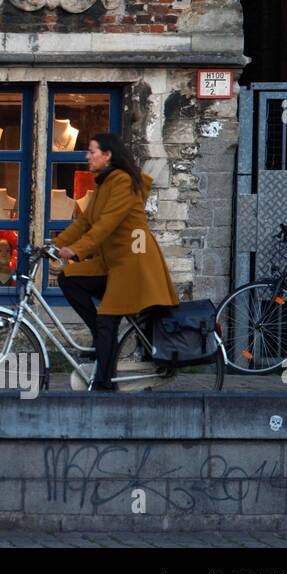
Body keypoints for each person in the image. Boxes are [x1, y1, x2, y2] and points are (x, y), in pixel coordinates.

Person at [53, 132, 179, 392]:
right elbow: (86, 222)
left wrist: (75, 251)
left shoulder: (122, 182)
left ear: (107, 155)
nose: (87, 156)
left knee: (107, 320)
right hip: (112, 261)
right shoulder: (104, 184)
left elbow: (106, 225)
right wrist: (53, 246)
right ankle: (102, 339)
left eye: (92, 151)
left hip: (133, 261)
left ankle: (104, 384)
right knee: (69, 278)